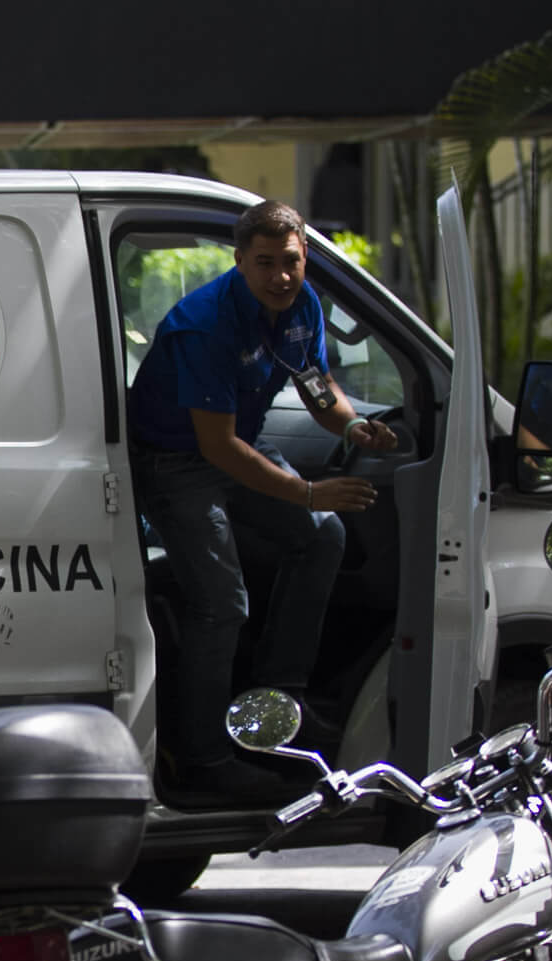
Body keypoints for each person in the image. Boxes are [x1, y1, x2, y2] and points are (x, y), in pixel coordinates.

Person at [127, 200, 397, 803]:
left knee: (322, 534)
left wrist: (353, 427)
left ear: (305, 258)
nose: (281, 276)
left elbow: (317, 384)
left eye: (291, 262)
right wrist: (309, 491)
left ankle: (279, 702)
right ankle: (203, 760)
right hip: (177, 460)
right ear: (240, 261)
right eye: (266, 263)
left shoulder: (302, 305)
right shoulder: (207, 325)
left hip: (238, 441)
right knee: (222, 604)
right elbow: (216, 448)